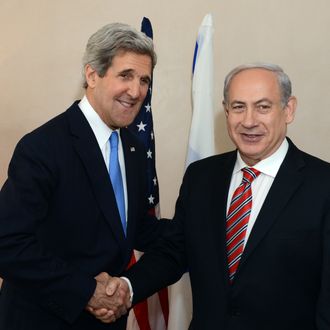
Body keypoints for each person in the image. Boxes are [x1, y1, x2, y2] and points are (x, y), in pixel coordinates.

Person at [102, 63, 330, 329]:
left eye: (263, 107)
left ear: (288, 109)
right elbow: (175, 251)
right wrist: (126, 287)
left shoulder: (322, 185)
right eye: (238, 107)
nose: (248, 121)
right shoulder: (201, 177)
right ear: (226, 111)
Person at [0, 22, 165, 330]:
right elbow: (7, 242)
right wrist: (87, 292)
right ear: (92, 75)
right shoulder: (43, 147)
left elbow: (136, 229)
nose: (136, 91)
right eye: (125, 76)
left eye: (144, 80)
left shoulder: (131, 147)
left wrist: (200, 226)